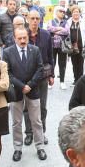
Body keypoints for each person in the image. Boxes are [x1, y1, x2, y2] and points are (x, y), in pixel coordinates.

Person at [3, 27, 47, 161]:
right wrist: (22, 86)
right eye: (20, 38)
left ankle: (40, 147)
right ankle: (17, 148)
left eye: (25, 38)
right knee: (16, 122)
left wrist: (30, 85)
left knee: (37, 121)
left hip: (33, 91)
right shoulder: (7, 52)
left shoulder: (35, 50)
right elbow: (7, 72)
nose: (23, 41)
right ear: (14, 39)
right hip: (16, 92)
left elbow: (40, 69)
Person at [26, 10, 55, 144]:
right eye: (32, 18)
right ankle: (29, 133)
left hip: (43, 75)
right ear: (27, 19)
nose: (35, 21)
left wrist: (52, 74)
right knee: (27, 107)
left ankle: (41, 132)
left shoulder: (46, 35)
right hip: (26, 76)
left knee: (42, 106)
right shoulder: (22, 35)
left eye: (37, 18)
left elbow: (50, 55)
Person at [65, 5, 85, 85]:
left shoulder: (84, 22)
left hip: (81, 45)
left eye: (77, 12)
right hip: (71, 46)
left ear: (79, 13)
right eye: (74, 12)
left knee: (81, 63)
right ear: (71, 13)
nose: (76, 13)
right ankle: (76, 79)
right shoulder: (68, 22)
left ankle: (80, 79)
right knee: (74, 63)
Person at [48, 6, 70, 90]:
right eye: (61, 11)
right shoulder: (51, 21)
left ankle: (62, 81)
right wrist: (60, 29)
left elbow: (67, 31)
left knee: (62, 64)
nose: (63, 13)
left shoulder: (66, 22)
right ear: (56, 12)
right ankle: (50, 81)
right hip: (52, 45)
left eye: (64, 12)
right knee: (52, 63)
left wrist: (56, 31)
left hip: (63, 46)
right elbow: (49, 29)